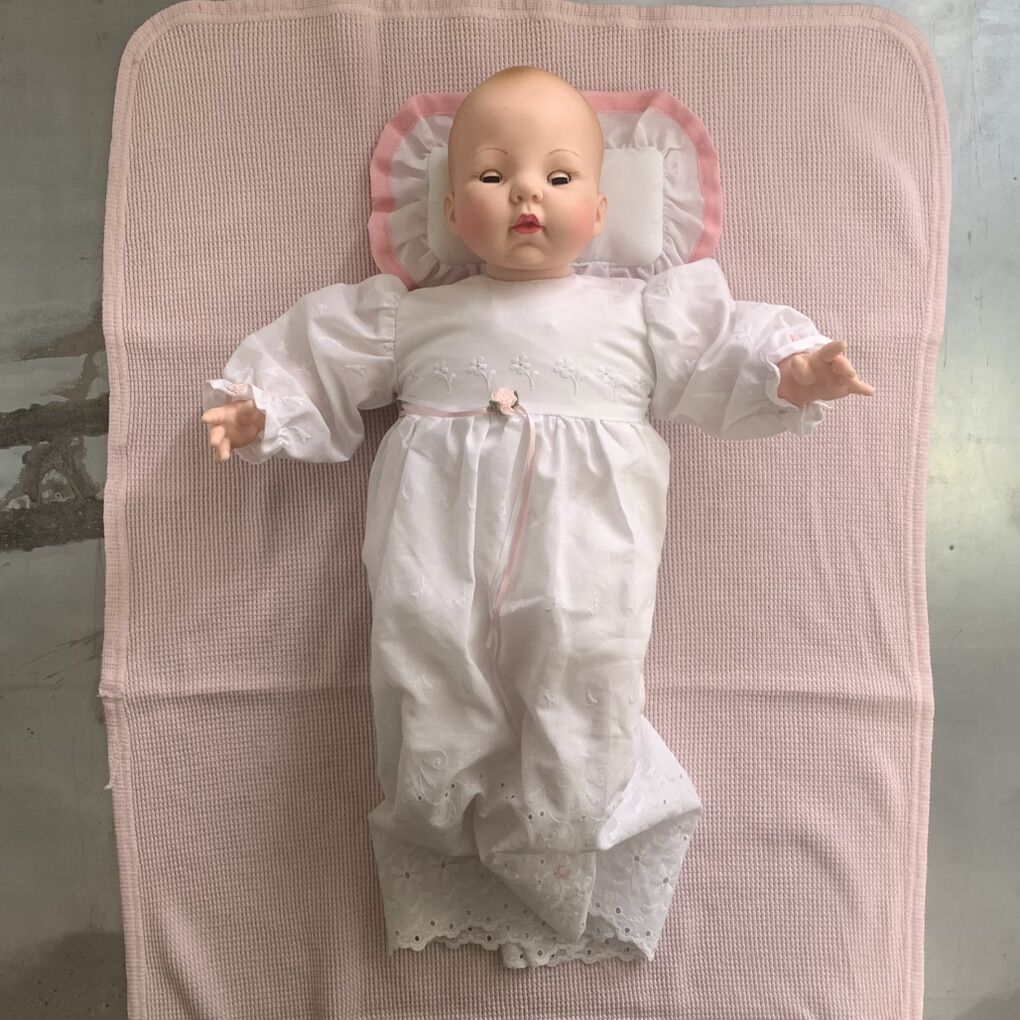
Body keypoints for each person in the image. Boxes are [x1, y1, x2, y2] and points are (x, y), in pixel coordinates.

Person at [200, 65, 875, 969]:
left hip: (585, 549)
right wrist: (262, 408)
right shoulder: (412, 317)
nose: (526, 192)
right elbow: (318, 356)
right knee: (428, 674)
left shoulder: (643, 314)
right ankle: (438, 843)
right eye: (493, 175)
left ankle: (575, 841)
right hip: (436, 549)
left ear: (599, 211)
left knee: (582, 666)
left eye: (558, 176)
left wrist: (792, 369)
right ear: (450, 212)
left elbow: (724, 345)